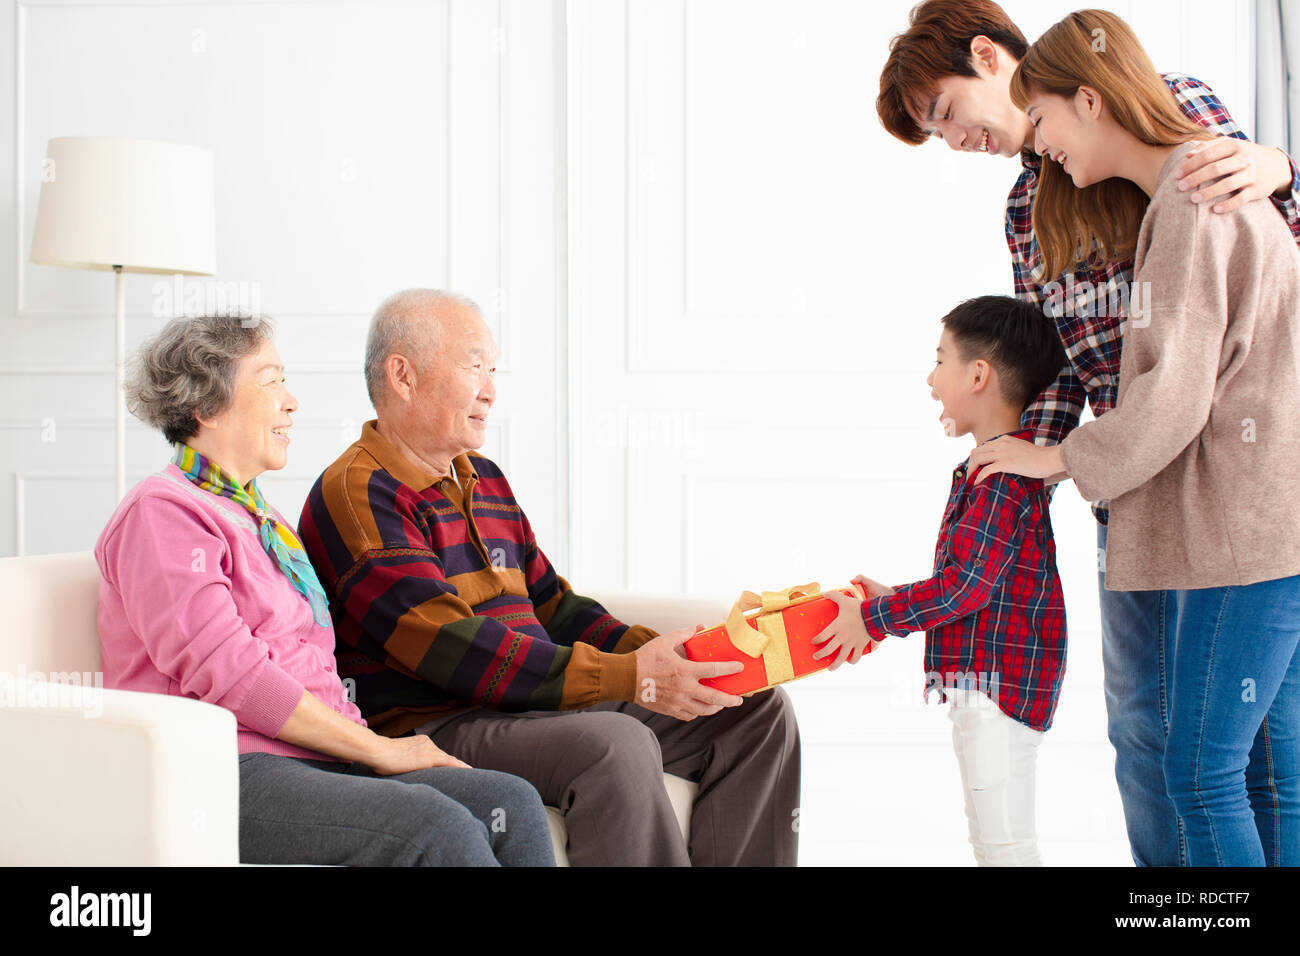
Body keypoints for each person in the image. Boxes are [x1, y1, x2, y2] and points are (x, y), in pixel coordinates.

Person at [877, 0, 1300, 867]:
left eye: (947, 114)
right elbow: (1061, 362)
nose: (954, 142)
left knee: (1236, 751)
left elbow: (1266, 257)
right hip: (1134, 484)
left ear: (990, 58)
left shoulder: (1171, 110)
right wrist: (1022, 460)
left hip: (1231, 483)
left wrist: (1282, 165)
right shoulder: (1025, 208)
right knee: (1148, 731)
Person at [299, 288, 801, 866]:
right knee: (613, 745)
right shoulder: (358, 493)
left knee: (755, 711)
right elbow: (449, 648)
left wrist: (675, 657)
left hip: (533, 705)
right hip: (441, 720)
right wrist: (629, 675)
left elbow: (553, 605)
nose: (490, 389)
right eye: (473, 366)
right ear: (403, 376)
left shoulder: (482, 478)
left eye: (493, 369)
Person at [95, 313, 554, 867]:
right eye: (271, 381)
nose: (292, 402)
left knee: (509, 800)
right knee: (434, 829)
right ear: (207, 406)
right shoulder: (163, 513)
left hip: (319, 755)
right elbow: (234, 675)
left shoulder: (263, 520)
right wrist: (380, 750)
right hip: (230, 771)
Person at [812, 295, 1067, 866]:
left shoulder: (1001, 477)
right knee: (996, 842)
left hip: (997, 692)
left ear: (978, 375)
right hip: (989, 687)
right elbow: (970, 582)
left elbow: (963, 590)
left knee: (1004, 846)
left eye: (940, 359)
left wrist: (872, 618)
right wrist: (894, 599)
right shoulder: (996, 467)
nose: (930, 378)